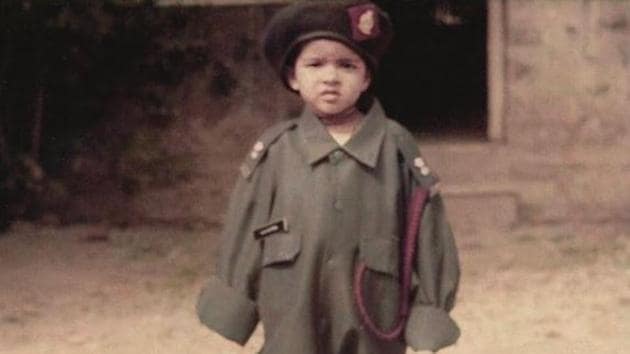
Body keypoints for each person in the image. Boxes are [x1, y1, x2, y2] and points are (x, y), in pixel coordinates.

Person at [196, 1, 460, 353]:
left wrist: (429, 310)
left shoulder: (395, 147)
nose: (331, 77)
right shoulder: (275, 150)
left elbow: (429, 230)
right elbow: (246, 226)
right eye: (315, 64)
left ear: (366, 78)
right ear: (293, 77)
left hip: (372, 315)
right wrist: (235, 297)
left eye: (347, 65)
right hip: (292, 309)